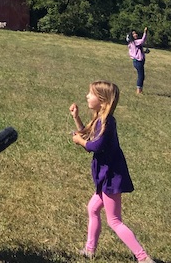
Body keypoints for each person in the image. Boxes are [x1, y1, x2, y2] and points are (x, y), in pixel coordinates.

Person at [69, 81, 152, 262]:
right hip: (105, 176)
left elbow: (95, 145)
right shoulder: (99, 120)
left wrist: (80, 142)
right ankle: (90, 250)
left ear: (103, 101)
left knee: (114, 221)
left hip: (111, 178)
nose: (87, 97)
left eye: (90, 94)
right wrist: (76, 118)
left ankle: (143, 257)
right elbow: (88, 136)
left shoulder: (108, 122)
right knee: (92, 208)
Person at [126, 28, 148, 95]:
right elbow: (142, 40)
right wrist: (145, 32)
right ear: (131, 36)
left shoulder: (131, 43)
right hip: (138, 61)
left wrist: (144, 51)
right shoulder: (135, 42)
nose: (136, 34)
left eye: (135, 33)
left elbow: (135, 51)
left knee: (141, 76)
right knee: (141, 76)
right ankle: (139, 91)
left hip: (136, 61)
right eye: (133, 34)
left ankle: (139, 90)